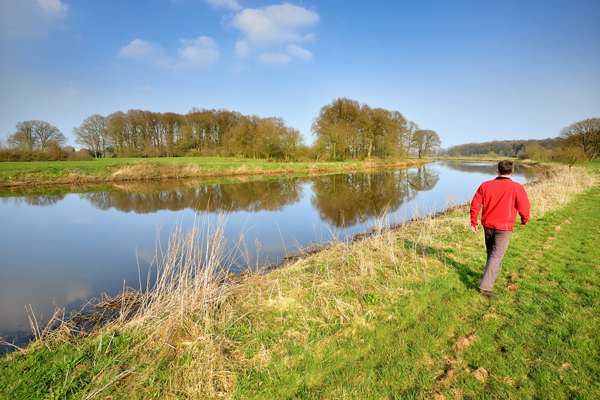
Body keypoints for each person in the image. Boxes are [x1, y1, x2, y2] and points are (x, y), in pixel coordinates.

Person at [470, 160, 531, 297]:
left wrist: (473, 222)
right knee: (496, 255)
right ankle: (485, 288)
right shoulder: (517, 187)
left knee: (492, 254)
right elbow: (524, 206)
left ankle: (491, 275)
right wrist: (524, 219)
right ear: (512, 171)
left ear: (497, 170)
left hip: (488, 225)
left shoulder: (485, 185)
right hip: (504, 227)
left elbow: (475, 205)